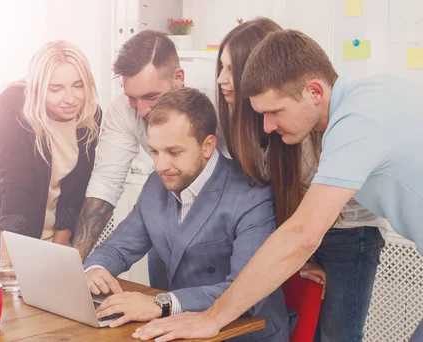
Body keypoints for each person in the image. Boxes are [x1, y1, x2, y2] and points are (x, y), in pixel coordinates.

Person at [132, 29, 423, 342]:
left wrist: (211, 318)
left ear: (314, 91)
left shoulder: (357, 123)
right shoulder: (370, 94)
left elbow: (302, 234)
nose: (268, 126)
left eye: (274, 111)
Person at [216, 18, 386, 341]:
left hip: (347, 233)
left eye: (231, 68)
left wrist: (213, 318)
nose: (224, 79)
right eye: (220, 68)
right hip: (315, 232)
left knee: (338, 334)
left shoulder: (337, 123)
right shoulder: (267, 123)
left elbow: (307, 227)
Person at [84, 87, 290, 342]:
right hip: (184, 331)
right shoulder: (154, 186)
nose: (160, 166)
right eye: (154, 152)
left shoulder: (251, 195)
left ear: (207, 146)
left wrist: (161, 304)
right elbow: (117, 248)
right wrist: (95, 269)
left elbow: (245, 292)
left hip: (244, 334)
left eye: (174, 152)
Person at [70, 31, 227, 292]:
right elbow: (106, 182)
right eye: (133, 97)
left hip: (226, 219)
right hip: (173, 211)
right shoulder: (123, 109)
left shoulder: (219, 97)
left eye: (151, 97)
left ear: (178, 79)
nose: (141, 110)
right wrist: (78, 264)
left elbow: (249, 175)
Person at [0, 41, 102, 280]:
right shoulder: (13, 106)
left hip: (56, 242)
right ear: (38, 88)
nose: (70, 98)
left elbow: (75, 192)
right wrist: (7, 265)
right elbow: (14, 186)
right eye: (56, 89)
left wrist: (58, 253)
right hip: (12, 242)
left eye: (78, 86)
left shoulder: (90, 116)